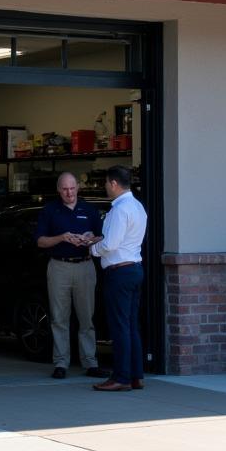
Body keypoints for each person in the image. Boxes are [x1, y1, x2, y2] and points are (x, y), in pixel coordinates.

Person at [36, 172, 110, 380]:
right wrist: (62, 237)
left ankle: (90, 363)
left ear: (78, 187)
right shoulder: (50, 210)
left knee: (87, 317)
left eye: (72, 188)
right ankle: (61, 363)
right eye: (65, 189)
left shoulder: (89, 209)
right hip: (59, 266)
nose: (69, 193)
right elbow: (40, 241)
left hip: (85, 266)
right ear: (59, 190)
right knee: (59, 318)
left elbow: (102, 236)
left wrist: (89, 239)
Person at [88, 165, 147, 391]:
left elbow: (111, 244)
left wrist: (92, 249)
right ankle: (136, 374)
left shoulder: (120, 209)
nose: (105, 187)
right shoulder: (138, 207)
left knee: (120, 326)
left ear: (114, 183)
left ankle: (121, 377)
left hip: (119, 272)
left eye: (105, 183)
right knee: (131, 324)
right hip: (134, 267)